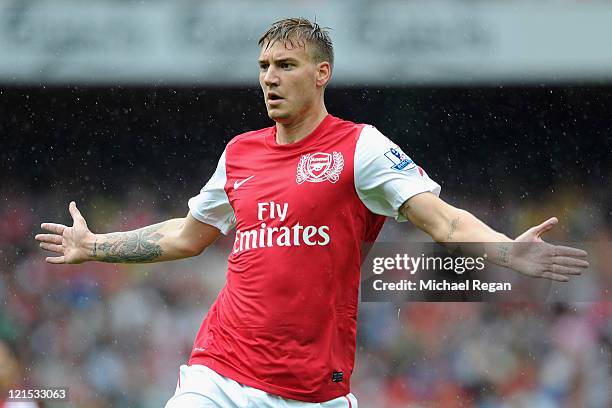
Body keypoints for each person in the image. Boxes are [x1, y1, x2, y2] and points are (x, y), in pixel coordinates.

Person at [35, 18, 589, 408]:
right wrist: (94, 246)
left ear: (321, 73)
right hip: (219, 373)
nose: (269, 78)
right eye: (263, 67)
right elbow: (186, 236)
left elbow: (441, 220)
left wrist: (504, 250)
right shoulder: (240, 153)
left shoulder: (362, 148)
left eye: (286, 65)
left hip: (313, 391)